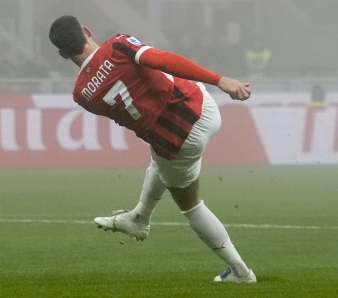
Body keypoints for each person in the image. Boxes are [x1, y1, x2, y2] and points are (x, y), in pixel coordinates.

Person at [49, 15, 256, 283]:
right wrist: (219, 80)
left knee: (190, 206)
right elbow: (162, 61)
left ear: (63, 54)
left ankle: (240, 272)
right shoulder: (119, 45)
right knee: (158, 161)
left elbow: (127, 90)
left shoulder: (81, 94)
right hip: (201, 108)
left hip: (176, 141)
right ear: (86, 30)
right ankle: (138, 217)